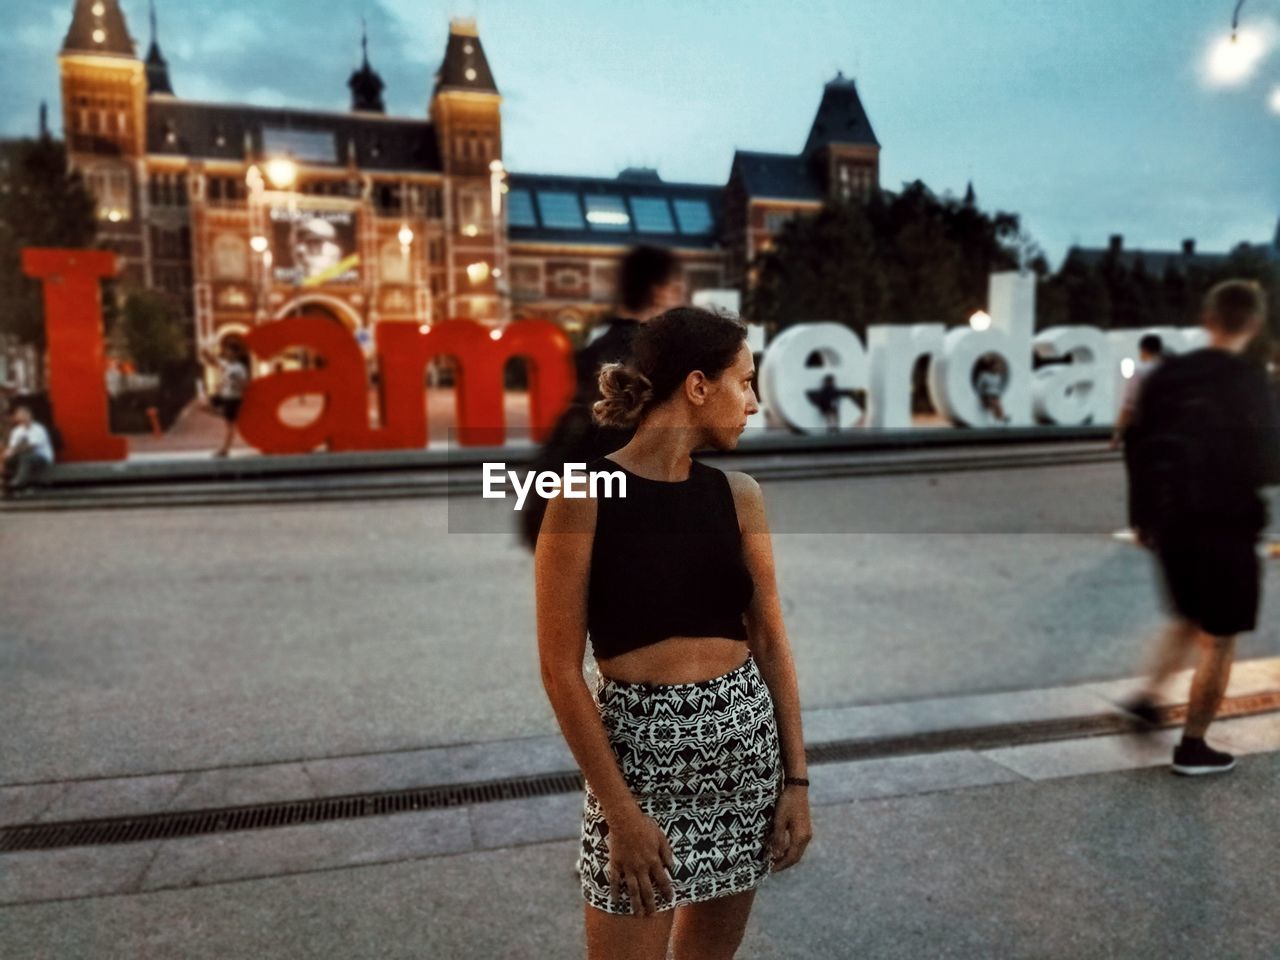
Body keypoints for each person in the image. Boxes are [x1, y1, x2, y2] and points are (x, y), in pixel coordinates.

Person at [536, 306, 811, 960]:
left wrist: (796, 783)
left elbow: (771, 643)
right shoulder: (583, 494)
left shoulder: (739, 495)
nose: (753, 402)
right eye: (744, 382)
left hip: (744, 767)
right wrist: (621, 815)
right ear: (697, 386)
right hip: (636, 771)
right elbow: (559, 671)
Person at [1123, 280, 1280, 775]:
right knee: (1222, 635)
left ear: (1207, 318)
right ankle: (1193, 747)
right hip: (1227, 524)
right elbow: (1270, 461)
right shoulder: (1252, 382)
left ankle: (1147, 696)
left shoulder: (1170, 374)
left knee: (1189, 616)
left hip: (1172, 522)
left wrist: (1143, 516)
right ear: (1253, 325)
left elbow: (1138, 443)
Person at [519, 245, 685, 549]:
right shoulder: (653, 359)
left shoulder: (596, 351)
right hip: (615, 520)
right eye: (676, 289)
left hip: (574, 508)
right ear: (660, 292)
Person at [1110, 333, 1164, 450]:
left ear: (1143, 350)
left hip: (1145, 434)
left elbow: (1128, 407)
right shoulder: (1171, 371)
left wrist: (1117, 436)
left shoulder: (1139, 373)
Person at [201, 339, 250, 458]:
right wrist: (205, 350)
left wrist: (236, 383)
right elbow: (213, 361)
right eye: (226, 351)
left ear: (235, 353)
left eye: (229, 351)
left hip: (233, 398)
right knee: (203, 406)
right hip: (224, 395)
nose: (227, 353)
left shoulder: (240, 368)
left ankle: (225, 450)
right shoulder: (227, 364)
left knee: (229, 425)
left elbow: (245, 384)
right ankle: (224, 414)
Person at [2, 404, 55, 497]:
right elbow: (12, 447)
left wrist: (14, 450)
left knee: (26, 457)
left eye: (24, 414)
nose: (22, 417)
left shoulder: (38, 429)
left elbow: (31, 446)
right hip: (22, 457)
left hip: (40, 457)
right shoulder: (16, 431)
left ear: (29, 415)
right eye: (19, 415)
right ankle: (8, 484)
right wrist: (8, 453)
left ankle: (18, 483)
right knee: (8, 460)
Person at [973, 355, 1009, 424]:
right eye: (996, 366)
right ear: (991, 366)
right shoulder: (984, 375)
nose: (997, 368)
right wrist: (981, 396)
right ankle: (1000, 418)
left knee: (998, 404)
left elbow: (998, 387)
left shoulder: (998, 376)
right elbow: (979, 386)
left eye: (999, 367)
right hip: (986, 395)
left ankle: (1000, 418)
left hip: (995, 394)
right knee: (995, 403)